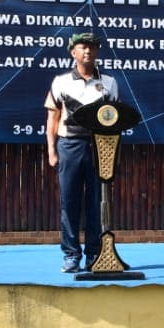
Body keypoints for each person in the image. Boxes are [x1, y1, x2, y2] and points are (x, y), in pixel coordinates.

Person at [45, 32, 118, 273]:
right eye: (82, 47)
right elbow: (52, 119)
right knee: (70, 202)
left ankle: (94, 254)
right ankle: (71, 255)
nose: (88, 51)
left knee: (97, 203)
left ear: (97, 52)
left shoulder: (109, 83)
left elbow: (113, 119)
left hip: (99, 147)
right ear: (73, 52)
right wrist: (52, 152)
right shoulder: (61, 81)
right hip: (69, 146)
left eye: (92, 47)